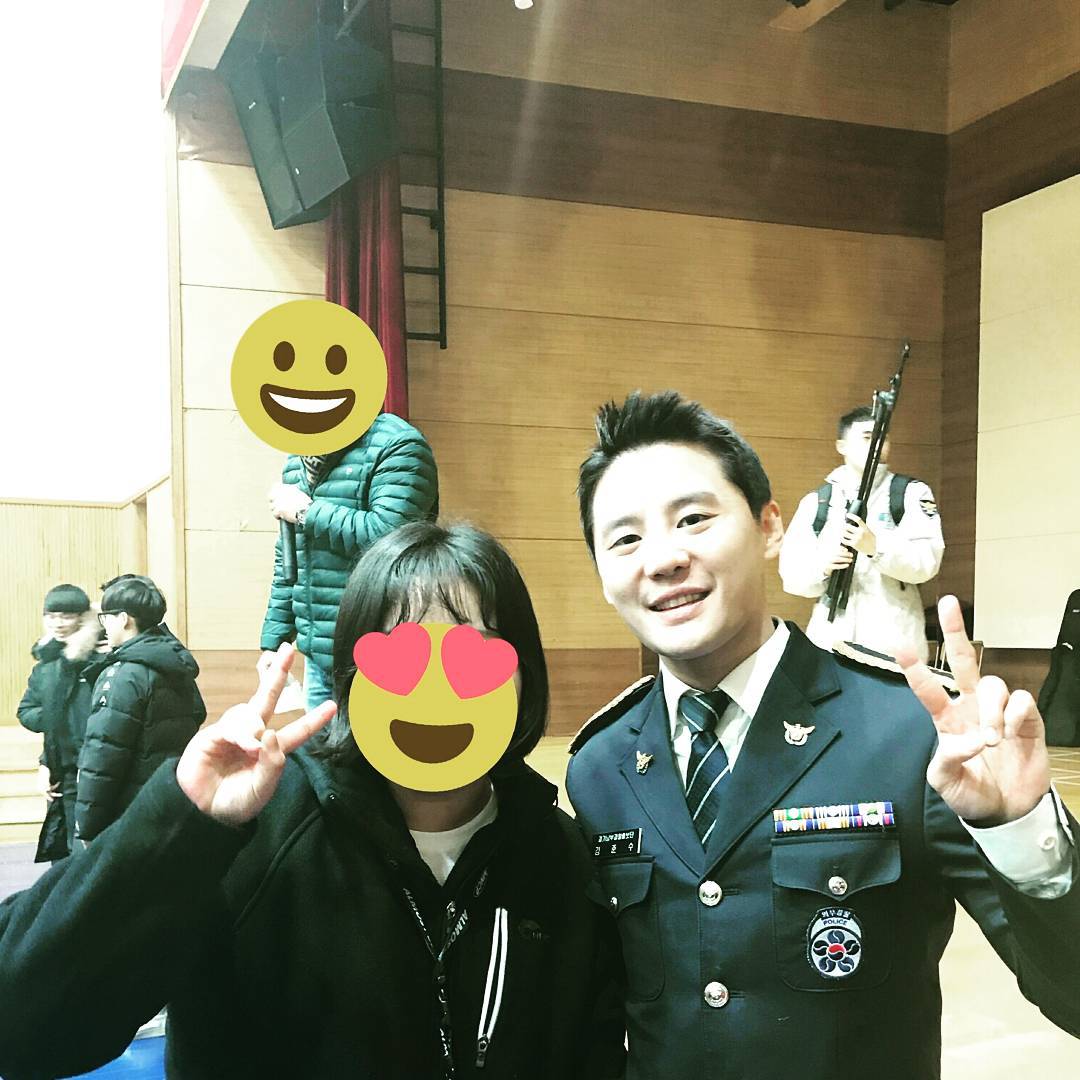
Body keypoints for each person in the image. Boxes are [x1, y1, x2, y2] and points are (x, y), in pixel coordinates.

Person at [567, 390, 1079, 1080]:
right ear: (602, 572)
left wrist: (1021, 828)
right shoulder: (600, 767)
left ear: (769, 526)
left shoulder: (905, 733)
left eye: (693, 519)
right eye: (625, 539)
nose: (662, 559)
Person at [0, 523, 624, 1080]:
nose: (435, 690)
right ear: (353, 675)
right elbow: (23, 1026)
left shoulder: (560, 857)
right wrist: (179, 826)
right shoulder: (256, 832)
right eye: (403, 658)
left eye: (471, 656)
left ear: (524, 675)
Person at [259, 414, 440, 711]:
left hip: (380, 650)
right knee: (320, 739)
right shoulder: (298, 458)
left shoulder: (398, 443)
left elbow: (394, 539)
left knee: (375, 740)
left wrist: (307, 512)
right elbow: (290, 558)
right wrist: (274, 642)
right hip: (318, 653)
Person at [778, 403, 944, 662]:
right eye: (867, 437)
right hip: (829, 642)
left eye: (883, 438)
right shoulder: (818, 501)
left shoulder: (911, 494)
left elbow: (927, 562)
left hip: (894, 645)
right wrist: (824, 566)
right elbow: (791, 576)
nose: (877, 445)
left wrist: (876, 548)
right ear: (841, 446)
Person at [74, 574, 207, 844]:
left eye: (106, 618)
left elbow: (102, 758)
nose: (104, 626)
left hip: (129, 816)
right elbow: (198, 714)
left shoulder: (123, 675)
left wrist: (87, 828)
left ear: (124, 619)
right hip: (169, 802)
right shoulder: (174, 662)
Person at [16, 584, 103, 861]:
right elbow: (26, 710)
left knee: (89, 851)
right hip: (61, 769)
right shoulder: (47, 663)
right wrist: (45, 761)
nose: (58, 623)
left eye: (66, 616)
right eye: (51, 616)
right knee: (63, 853)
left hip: (96, 767)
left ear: (83, 617)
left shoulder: (99, 660)